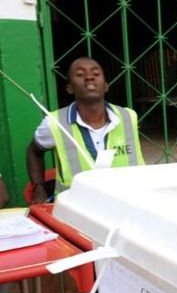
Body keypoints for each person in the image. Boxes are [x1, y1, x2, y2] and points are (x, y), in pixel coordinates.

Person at [26, 57, 145, 203]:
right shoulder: (55, 123)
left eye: (96, 74)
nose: (89, 77)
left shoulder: (128, 117)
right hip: (76, 209)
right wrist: (38, 189)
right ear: (70, 88)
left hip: (130, 204)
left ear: (106, 86)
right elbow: (33, 151)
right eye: (80, 75)